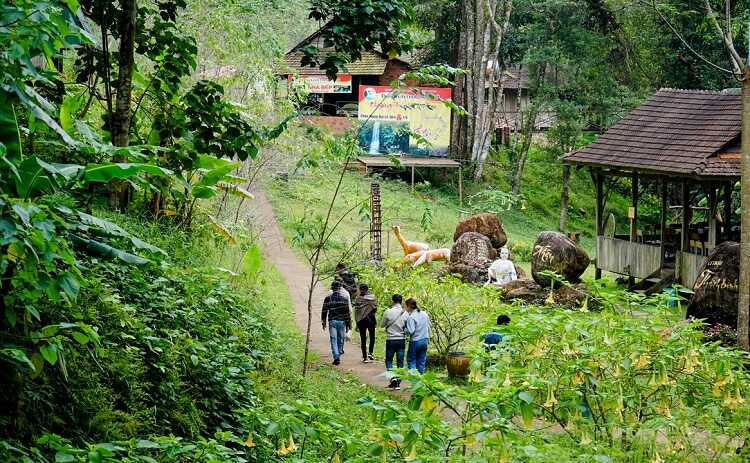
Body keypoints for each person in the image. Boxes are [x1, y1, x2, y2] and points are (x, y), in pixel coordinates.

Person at [379, 294, 408, 389]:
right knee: (400, 362)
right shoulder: (405, 313)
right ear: (401, 301)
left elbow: (382, 325)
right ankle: (398, 382)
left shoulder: (388, 312)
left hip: (391, 339)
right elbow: (408, 328)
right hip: (401, 340)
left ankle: (393, 378)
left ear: (393, 301)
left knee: (388, 360)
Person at [322, 280, 352, 366]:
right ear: (339, 289)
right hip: (342, 322)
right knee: (340, 339)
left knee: (333, 339)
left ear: (332, 288)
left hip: (332, 321)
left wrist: (323, 321)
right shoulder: (344, 299)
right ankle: (338, 352)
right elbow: (347, 313)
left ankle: (336, 356)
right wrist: (349, 325)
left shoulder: (328, 298)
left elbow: (324, 311)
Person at [405, 298, 430, 374]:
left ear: (408, 306)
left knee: (411, 360)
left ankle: (414, 380)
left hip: (416, 341)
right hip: (425, 340)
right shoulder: (424, 313)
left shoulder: (411, 317)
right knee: (421, 361)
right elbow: (428, 326)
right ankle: (420, 382)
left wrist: (405, 330)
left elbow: (411, 331)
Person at [355, 283, 377, 363]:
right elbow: (375, 309)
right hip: (371, 319)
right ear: (367, 289)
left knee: (363, 338)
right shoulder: (372, 298)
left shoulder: (358, 299)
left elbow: (357, 311)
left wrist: (357, 322)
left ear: (360, 289)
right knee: (372, 337)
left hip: (361, 321)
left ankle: (364, 357)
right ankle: (370, 353)